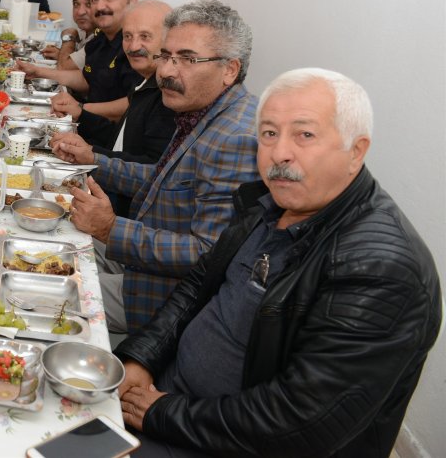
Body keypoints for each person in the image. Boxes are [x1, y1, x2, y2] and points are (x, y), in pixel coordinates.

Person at [115, 68, 441, 458]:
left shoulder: (382, 269)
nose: (279, 153)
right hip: (170, 401)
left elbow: (300, 424)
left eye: (305, 134)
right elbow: (197, 287)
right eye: (269, 133)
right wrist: (142, 358)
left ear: (356, 150)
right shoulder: (271, 204)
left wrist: (161, 412)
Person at [53, 0, 259, 332]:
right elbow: (163, 179)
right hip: (139, 259)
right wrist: (94, 160)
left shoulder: (236, 137)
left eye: (187, 59)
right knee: (51, 242)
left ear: (230, 69)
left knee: (44, 292)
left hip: (160, 298)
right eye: (165, 55)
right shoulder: (203, 110)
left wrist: (110, 229)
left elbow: (208, 253)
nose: (165, 71)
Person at [80, 0, 177, 217]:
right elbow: (121, 141)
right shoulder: (145, 82)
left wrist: (90, 155)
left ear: (168, 41)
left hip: (123, 217)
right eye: (128, 36)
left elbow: (153, 169)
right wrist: (80, 116)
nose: (133, 47)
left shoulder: (167, 96)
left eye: (145, 36)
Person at [25, 0, 141, 148]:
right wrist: (38, 71)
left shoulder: (135, 46)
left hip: (112, 145)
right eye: (94, 0)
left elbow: (134, 104)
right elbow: (87, 79)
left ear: (132, 2)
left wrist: (80, 108)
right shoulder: (99, 40)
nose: (100, 6)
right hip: (86, 131)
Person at [40, 0, 93, 68]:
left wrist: (68, 36)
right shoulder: (84, 31)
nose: (80, 12)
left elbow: (63, 69)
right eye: (76, 4)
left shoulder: (101, 39)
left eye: (88, 4)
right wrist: (61, 55)